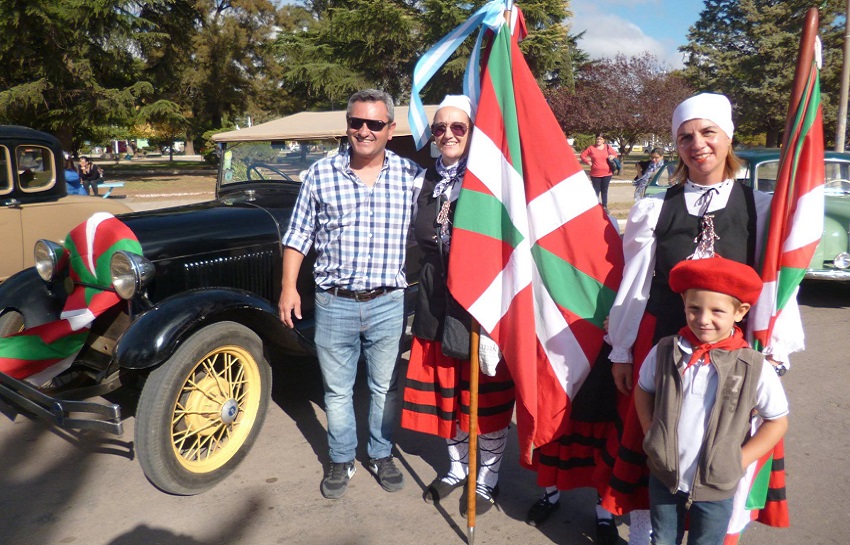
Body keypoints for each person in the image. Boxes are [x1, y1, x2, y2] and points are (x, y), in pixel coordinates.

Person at [599, 92, 804, 545]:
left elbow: (777, 286)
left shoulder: (761, 207)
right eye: (685, 136)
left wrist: (774, 349)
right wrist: (621, 349)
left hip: (731, 355)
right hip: (663, 343)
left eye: (708, 132)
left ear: (728, 138)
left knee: (722, 449)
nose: (698, 144)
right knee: (657, 447)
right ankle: (649, 537)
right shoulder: (656, 207)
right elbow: (635, 284)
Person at [278, 89, 425, 500]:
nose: (364, 131)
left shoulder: (411, 178)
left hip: (388, 302)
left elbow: (438, 224)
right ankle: (341, 458)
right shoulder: (320, 174)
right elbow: (298, 235)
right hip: (334, 302)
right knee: (337, 391)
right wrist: (289, 288)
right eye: (356, 122)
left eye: (374, 124)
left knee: (383, 387)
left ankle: (380, 453)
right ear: (347, 126)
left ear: (390, 130)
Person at [399, 95, 515, 518]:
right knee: (447, 392)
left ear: (473, 133)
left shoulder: (493, 182)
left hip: (483, 302)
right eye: (439, 128)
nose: (447, 135)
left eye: (458, 128)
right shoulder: (422, 180)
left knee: (484, 398)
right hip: (435, 296)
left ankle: (487, 479)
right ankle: (456, 468)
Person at [635, 255, 789, 545]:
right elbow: (643, 389)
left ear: (740, 311)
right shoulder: (665, 351)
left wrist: (738, 460)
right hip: (664, 478)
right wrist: (650, 432)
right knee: (663, 540)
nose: (703, 319)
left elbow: (776, 421)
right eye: (694, 308)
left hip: (716, 486)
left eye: (717, 310)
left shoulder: (754, 366)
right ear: (684, 305)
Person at [580, 134, 618, 212]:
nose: (598, 140)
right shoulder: (591, 148)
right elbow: (582, 155)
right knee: (596, 190)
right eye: (597, 139)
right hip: (595, 174)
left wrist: (612, 156)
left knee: (604, 190)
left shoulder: (607, 147)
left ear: (603, 140)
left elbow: (615, 154)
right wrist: (588, 162)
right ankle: (596, 206)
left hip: (607, 173)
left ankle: (604, 206)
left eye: (600, 139)